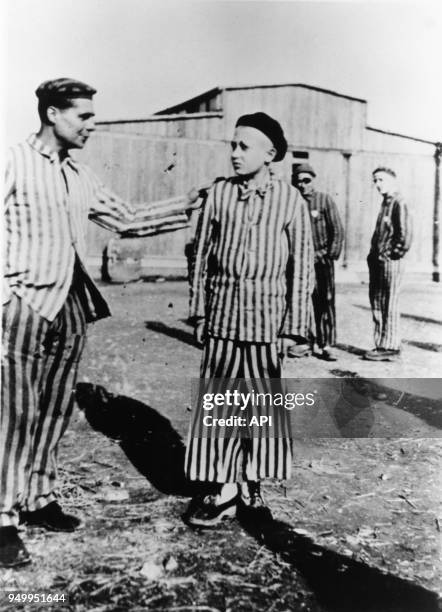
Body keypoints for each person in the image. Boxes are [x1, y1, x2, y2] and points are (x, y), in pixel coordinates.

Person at [1, 78, 192, 567]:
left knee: (54, 409)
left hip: (70, 306)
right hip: (23, 304)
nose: (92, 124)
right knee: (15, 411)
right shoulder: (12, 161)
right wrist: (5, 298)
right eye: (83, 115)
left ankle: (38, 498)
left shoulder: (78, 174)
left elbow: (126, 218)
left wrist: (193, 205)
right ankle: (3, 514)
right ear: (51, 114)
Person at [184, 112, 314, 527]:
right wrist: (199, 312)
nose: (235, 154)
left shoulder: (291, 200)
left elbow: (302, 267)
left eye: (244, 147)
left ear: (270, 154)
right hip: (222, 320)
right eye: (233, 146)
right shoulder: (219, 195)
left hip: (267, 326)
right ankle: (221, 489)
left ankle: (252, 488)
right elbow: (200, 257)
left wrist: (294, 328)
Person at [292, 163, 344, 361]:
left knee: (325, 302)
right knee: (301, 302)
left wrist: (329, 255)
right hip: (300, 262)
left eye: (307, 180)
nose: (303, 185)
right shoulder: (294, 201)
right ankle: (305, 341)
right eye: (299, 181)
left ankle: (327, 344)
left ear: (313, 180)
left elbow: (337, 230)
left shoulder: (324, 200)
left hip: (322, 261)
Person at [364, 167, 412, 361]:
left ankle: (391, 347)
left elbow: (405, 234)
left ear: (393, 180)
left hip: (391, 262)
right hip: (378, 261)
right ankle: (381, 344)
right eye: (375, 180)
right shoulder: (386, 203)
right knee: (377, 301)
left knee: (390, 302)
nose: (377, 184)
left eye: (381, 180)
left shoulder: (400, 202)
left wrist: (393, 254)